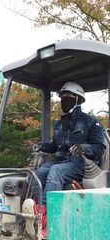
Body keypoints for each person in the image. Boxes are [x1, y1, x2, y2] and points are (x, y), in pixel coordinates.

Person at [23, 82, 106, 239]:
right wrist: (41, 146)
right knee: (40, 172)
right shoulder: (59, 124)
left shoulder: (91, 122)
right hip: (62, 162)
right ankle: (37, 210)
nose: (64, 100)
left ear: (78, 99)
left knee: (55, 171)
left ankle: (48, 218)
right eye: (62, 97)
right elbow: (55, 146)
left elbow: (99, 147)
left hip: (81, 164)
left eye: (68, 97)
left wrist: (83, 148)